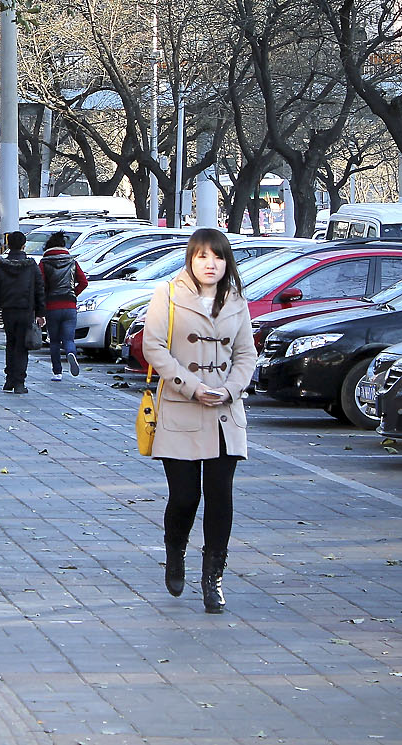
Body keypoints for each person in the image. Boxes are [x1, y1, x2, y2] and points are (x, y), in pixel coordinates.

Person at [140, 228, 255, 615]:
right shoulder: (168, 294)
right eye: (203, 256)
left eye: (218, 257)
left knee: (221, 496)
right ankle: (175, 551)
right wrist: (190, 386)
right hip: (181, 408)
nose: (211, 264)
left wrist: (231, 389)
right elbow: (153, 345)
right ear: (190, 258)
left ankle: (213, 578)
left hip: (225, 413)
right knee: (186, 496)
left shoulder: (238, 301)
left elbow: (246, 355)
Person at [0, 231, 44, 393]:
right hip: (26, 311)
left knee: (11, 343)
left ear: (8, 245)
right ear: (24, 245)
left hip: (8, 311)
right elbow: (39, 290)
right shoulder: (31, 266)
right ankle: (19, 382)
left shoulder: (1, 266)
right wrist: (41, 313)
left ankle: (9, 380)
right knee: (22, 346)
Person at [40, 231, 89, 381]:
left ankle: (57, 373)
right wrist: (73, 294)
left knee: (54, 340)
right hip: (69, 305)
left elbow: (40, 285)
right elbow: (84, 282)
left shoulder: (44, 263)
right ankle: (70, 352)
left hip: (52, 306)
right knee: (68, 339)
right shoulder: (72, 262)